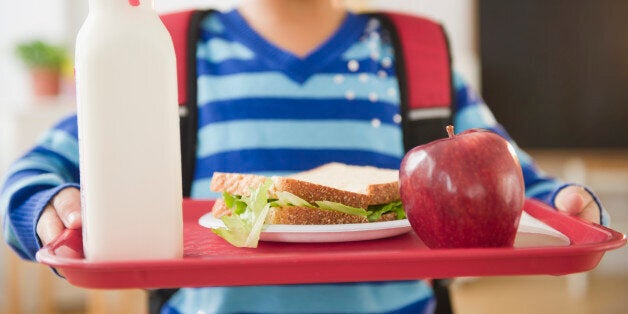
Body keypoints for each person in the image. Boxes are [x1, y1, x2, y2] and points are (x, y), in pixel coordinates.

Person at [1, 0, 609, 313]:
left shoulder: (417, 53)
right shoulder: (163, 51)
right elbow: (32, 173)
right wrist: (50, 205)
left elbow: (516, 183)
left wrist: (564, 202)